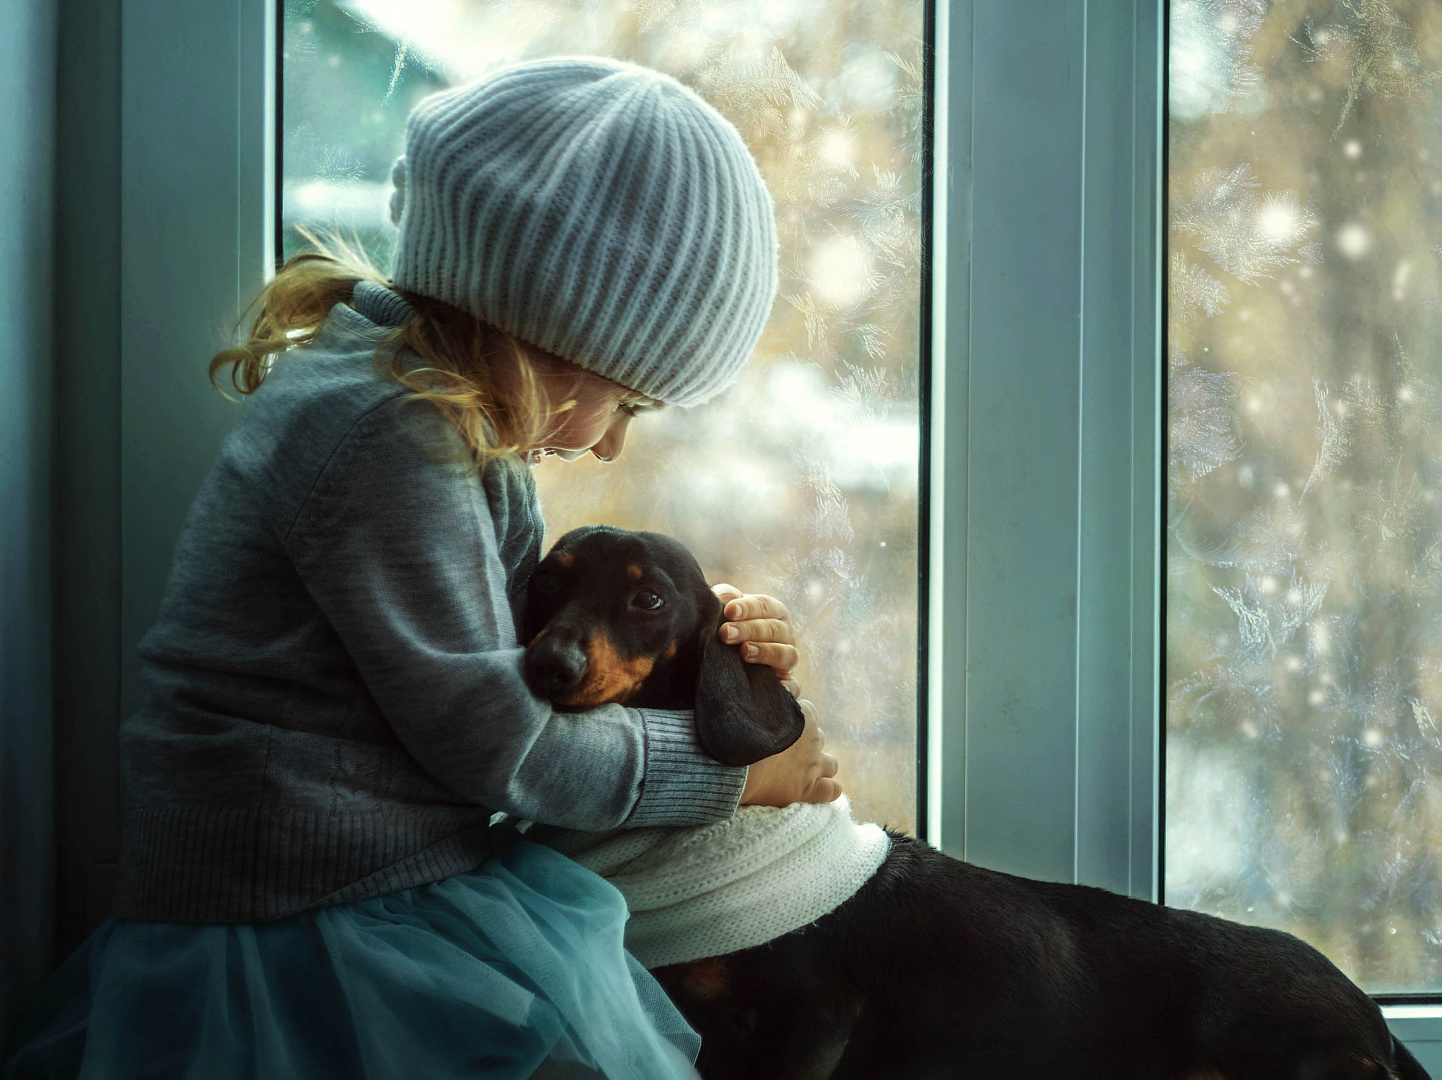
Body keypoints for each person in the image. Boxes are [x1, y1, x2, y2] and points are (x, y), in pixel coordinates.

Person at [4, 57, 840, 1080]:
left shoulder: (420, 424)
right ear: (553, 335)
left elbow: (528, 668)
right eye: (625, 403)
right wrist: (728, 776)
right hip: (302, 924)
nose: (614, 445)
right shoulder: (387, 440)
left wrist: (712, 651)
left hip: (356, 886)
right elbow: (501, 739)